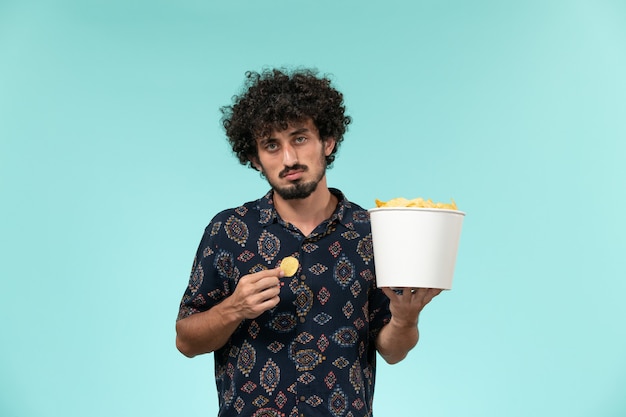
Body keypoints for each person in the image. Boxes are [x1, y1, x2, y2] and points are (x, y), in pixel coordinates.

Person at [175, 68, 442, 417]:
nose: (289, 159)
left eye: (299, 138)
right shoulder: (228, 230)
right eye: (272, 145)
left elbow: (391, 350)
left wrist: (406, 319)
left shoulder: (373, 233)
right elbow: (186, 341)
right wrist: (234, 308)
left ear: (327, 142)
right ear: (255, 158)